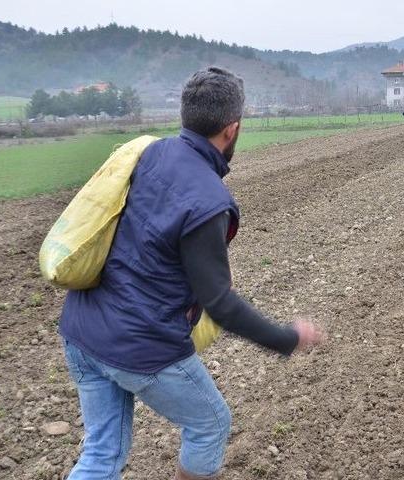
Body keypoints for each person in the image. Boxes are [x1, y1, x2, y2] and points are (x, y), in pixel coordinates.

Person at [57, 67, 324, 480]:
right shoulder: (208, 200)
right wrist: (287, 337)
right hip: (139, 344)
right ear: (231, 129)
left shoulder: (150, 152)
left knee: (101, 455)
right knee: (211, 423)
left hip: (82, 328)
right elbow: (220, 302)